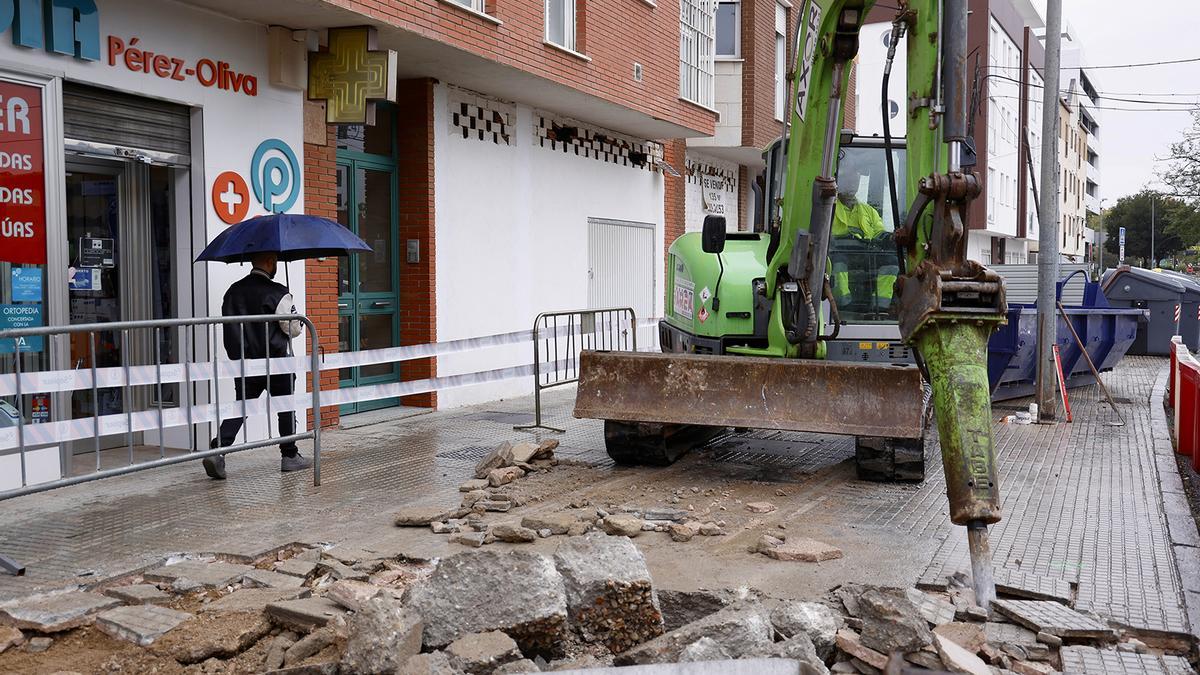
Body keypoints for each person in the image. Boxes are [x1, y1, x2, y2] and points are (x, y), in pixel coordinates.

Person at [203, 251, 311, 479]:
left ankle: (217, 451)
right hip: (276, 362)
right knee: (285, 407)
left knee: (241, 407)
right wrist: (295, 313)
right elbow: (293, 328)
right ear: (270, 262)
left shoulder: (232, 292)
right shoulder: (278, 292)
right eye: (276, 261)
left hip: (245, 363)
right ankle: (289, 456)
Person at [830, 163, 897, 312]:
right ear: (839, 182)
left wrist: (891, 238)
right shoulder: (828, 209)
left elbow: (879, 233)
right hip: (837, 252)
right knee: (838, 262)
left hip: (864, 255)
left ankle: (880, 307)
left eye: (856, 180)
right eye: (849, 180)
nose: (853, 184)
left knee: (892, 261)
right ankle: (844, 306)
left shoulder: (869, 211)